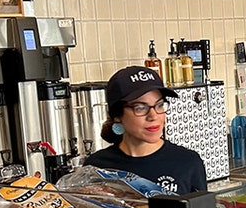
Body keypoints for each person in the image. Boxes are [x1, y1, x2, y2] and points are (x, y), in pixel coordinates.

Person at [85, 66, 207, 195]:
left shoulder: (187, 162)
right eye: (140, 107)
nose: (153, 116)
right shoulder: (96, 167)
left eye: (159, 105)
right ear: (117, 115)